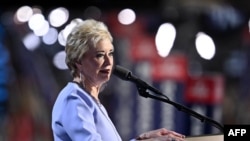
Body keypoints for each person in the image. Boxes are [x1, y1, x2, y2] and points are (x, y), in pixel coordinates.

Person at [51, 18, 186, 141]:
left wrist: (141, 140)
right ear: (77, 61)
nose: (108, 62)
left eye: (110, 53)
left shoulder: (89, 99)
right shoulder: (74, 100)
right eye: (99, 55)